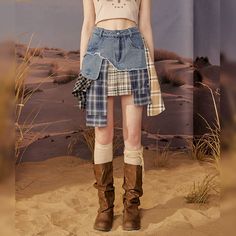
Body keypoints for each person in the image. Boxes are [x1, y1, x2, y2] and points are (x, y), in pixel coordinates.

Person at [72, 0, 165, 231]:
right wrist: (83, 67)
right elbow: (87, 25)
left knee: (133, 137)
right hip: (98, 52)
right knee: (102, 136)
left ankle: (131, 209)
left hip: (134, 50)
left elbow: (145, 26)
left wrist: (150, 69)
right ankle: (105, 209)